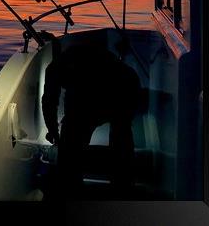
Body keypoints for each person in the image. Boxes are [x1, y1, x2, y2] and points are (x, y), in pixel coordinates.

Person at [41, 39, 141, 199]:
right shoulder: (70, 65)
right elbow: (51, 102)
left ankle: (73, 190)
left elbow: (49, 102)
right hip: (127, 82)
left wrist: (54, 132)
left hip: (122, 87)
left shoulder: (56, 70)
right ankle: (123, 189)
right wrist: (54, 130)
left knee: (75, 139)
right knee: (120, 134)